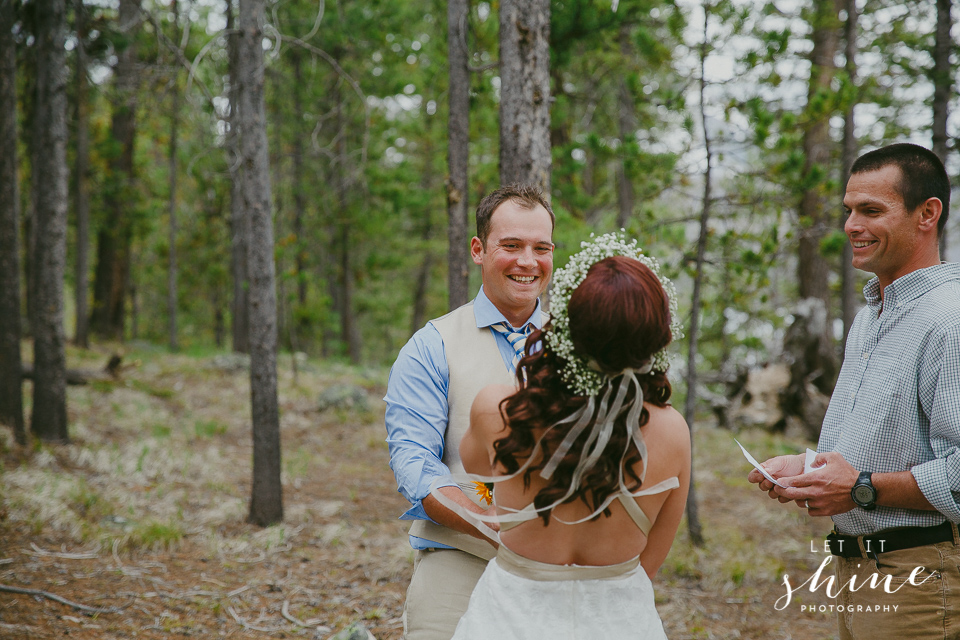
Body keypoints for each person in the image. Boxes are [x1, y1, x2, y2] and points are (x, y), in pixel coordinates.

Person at [747, 143, 960, 640]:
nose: (850, 225)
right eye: (848, 210)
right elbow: (885, 445)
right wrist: (809, 468)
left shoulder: (949, 320)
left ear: (927, 214)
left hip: (922, 578)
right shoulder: (872, 317)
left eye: (871, 210)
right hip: (857, 573)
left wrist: (861, 487)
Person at [430, 234, 690, 639]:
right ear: (656, 338)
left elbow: (477, 467)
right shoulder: (673, 431)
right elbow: (651, 561)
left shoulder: (499, 408)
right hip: (619, 622)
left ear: (565, 329)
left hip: (510, 620)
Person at [384, 184, 555, 640]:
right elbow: (414, 464)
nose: (528, 261)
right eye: (512, 246)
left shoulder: (581, 345)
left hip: (561, 568)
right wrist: (495, 527)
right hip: (461, 558)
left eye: (541, 248)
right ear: (479, 250)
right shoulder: (431, 346)